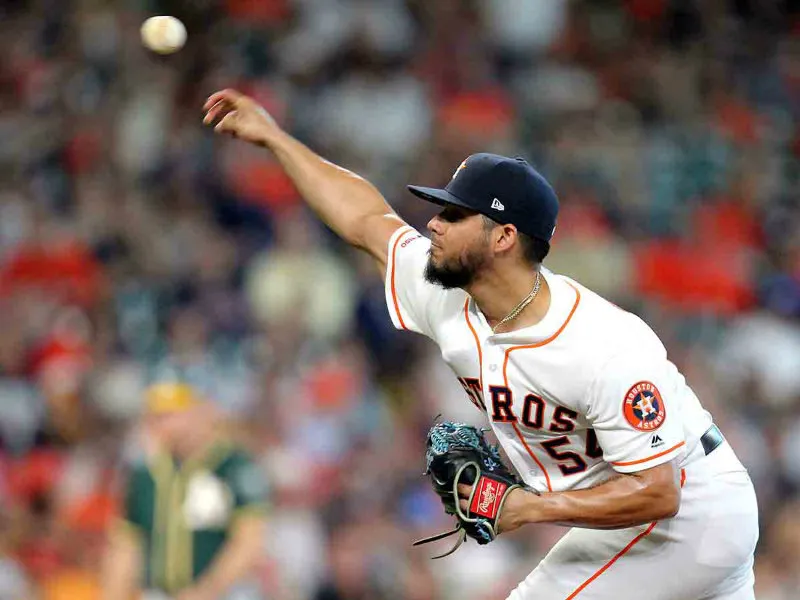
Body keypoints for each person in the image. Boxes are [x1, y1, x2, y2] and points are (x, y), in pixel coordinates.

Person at [202, 89, 759, 600]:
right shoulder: (446, 293)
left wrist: (527, 507)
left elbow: (658, 492)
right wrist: (275, 138)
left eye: (454, 214)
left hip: (687, 512)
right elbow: (367, 220)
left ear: (504, 237)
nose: (434, 226)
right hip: (660, 517)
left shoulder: (604, 344)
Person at [102, 382, 268, 600]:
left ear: (202, 411)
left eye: (173, 414)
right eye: (158, 416)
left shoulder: (233, 467)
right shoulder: (146, 474)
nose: (165, 424)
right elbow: (126, 547)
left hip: (225, 594)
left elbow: (249, 541)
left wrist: (207, 590)